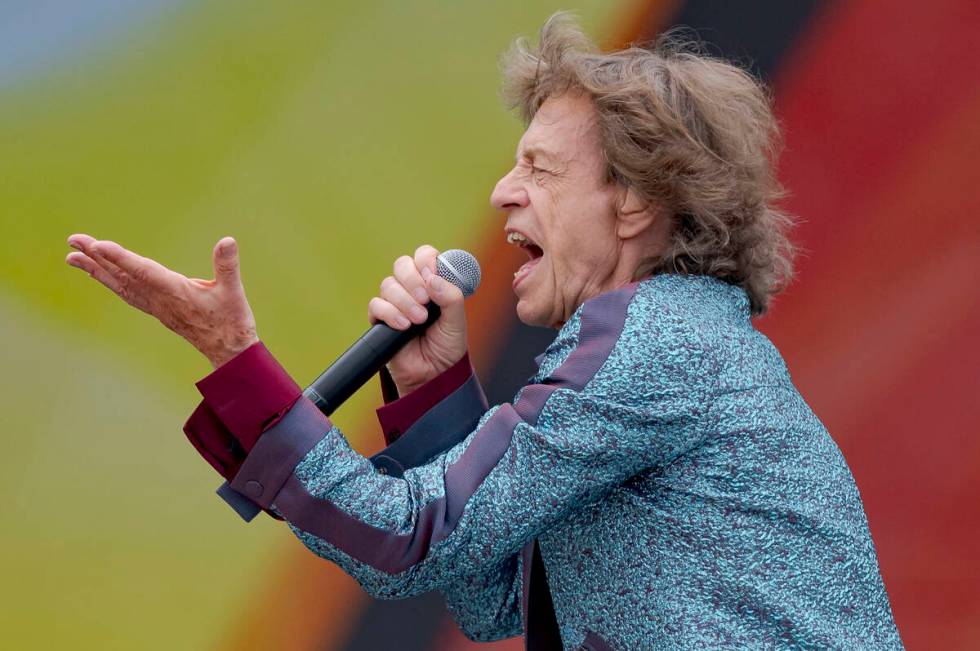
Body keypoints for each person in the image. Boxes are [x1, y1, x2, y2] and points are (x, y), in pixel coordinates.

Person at [64, 13, 903, 650]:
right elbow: (493, 591)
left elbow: (412, 540)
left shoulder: (654, 341)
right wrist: (435, 387)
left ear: (638, 201)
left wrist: (235, 360)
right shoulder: (676, 345)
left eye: (539, 168)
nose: (503, 190)